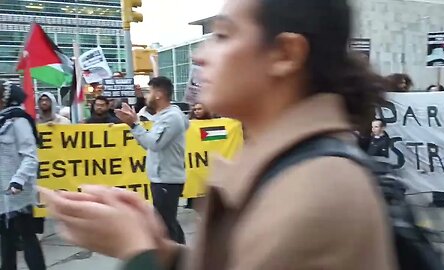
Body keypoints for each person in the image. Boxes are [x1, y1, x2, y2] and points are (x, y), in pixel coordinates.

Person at [40, 0, 397, 269]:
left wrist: (138, 253)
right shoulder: (283, 164)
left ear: (285, 54)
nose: (200, 56)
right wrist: (161, 250)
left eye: (224, 36)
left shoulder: (315, 193)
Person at [116, 76, 189, 244]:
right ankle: (182, 259)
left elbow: (153, 144)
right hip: (161, 179)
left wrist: (134, 125)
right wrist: (133, 124)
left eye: (150, 91)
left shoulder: (171, 118)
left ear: (159, 94)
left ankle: (176, 260)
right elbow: (148, 144)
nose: (147, 95)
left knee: (165, 227)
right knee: (169, 225)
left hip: (167, 180)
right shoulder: (164, 116)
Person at [0, 81, 46, 270]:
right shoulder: (2, 120)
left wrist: (18, 181)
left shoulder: (19, 120)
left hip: (18, 190)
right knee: (6, 238)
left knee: (27, 236)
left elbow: (30, 156)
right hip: (2, 190)